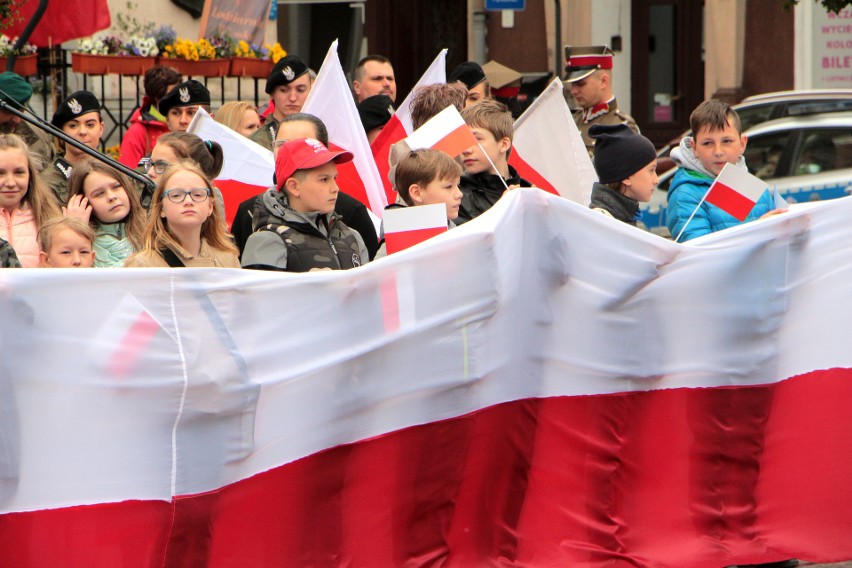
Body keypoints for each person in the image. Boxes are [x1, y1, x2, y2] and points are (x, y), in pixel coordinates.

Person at [230, 113, 379, 260]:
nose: (290, 151)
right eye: (282, 144)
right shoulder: (250, 212)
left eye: (303, 143)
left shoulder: (351, 213)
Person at [241, 138, 368, 272]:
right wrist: (309, 285)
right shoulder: (268, 241)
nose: (335, 188)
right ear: (294, 186)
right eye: (324, 180)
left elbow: (370, 289)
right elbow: (260, 292)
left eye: (334, 178)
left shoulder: (352, 236)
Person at [666, 99, 776, 242]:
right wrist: (760, 229)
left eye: (726, 141)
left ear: (742, 144)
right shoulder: (686, 194)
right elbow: (700, 254)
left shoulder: (748, 184)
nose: (718, 151)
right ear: (694, 147)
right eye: (708, 143)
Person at [125, 161, 239, 268]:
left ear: (210, 207)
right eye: (176, 195)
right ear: (161, 209)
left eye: (198, 194)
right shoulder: (142, 265)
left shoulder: (228, 259)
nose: (188, 201)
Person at [375, 148, 463, 258]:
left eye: (458, 185)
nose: (459, 194)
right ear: (417, 193)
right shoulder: (394, 248)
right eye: (448, 187)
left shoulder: (455, 232)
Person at [456, 99, 531, 224]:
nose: (466, 150)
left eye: (477, 139)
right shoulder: (457, 197)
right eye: (463, 141)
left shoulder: (528, 191)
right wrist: (503, 209)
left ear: (503, 144)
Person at [64, 160, 146, 267]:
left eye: (116, 187)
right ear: (84, 203)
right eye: (99, 194)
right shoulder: (85, 242)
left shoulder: (152, 231)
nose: (111, 197)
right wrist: (77, 231)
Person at [563, 45, 639, 157]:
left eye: (580, 84)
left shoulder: (621, 126)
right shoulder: (571, 120)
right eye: (572, 84)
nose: (573, 91)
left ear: (603, 81)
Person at [0, 134, 61, 267]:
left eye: (19, 172)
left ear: (30, 175)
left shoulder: (49, 217)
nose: (10, 182)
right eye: (1, 173)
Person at [588, 123, 658, 226]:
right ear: (626, 177)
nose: (656, 180)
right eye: (651, 170)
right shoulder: (602, 225)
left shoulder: (623, 218)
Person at [42, 90, 105, 204]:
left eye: (90, 125)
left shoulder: (112, 171)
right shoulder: (47, 183)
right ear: (61, 132)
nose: (82, 131)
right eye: (73, 126)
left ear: (101, 128)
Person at [143, 132, 226, 215]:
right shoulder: (142, 193)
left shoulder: (194, 214)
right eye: (150, 164)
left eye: (161, 166)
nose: (150, 172)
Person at [119, 66, 182, 168]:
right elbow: (127, 175)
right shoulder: (137, 132)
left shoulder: (186, 123)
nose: (178, 99)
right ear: (158, 97)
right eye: (172, 94)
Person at [250, 55, 312, 151]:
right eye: (284, 90)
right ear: (272, 94)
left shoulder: (318, 136)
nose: (292, 98)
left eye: (300, 90)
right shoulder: (256, 144)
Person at [0, 71, 54, 172]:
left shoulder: (37, 137)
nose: (17, 120)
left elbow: (49, 178)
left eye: (21, 112)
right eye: (9, 112)